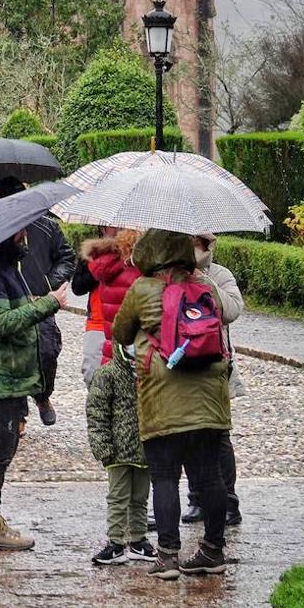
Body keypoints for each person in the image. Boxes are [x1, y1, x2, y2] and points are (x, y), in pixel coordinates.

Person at [112, 228, 232, 580]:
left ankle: (167, 557)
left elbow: (120, 332)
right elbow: (223, 317)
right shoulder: (205, 286)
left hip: (163, 396)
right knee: (210, 475)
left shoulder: (142, 289)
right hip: (210, 396)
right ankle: (213, 549)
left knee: (165, 477)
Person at [0, 227, 69, 551]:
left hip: (13, 376)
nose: (25, 237)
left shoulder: (7, 268)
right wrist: (48, 304)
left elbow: (11, 311)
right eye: (20, 232)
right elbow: (3, 322)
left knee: (5, 446)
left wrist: (33, 301)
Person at [0, 177, 75, 426]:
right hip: (10, 306)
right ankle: (19, 416)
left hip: (41, 302)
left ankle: (42, 395)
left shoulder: (47, 226)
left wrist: (48, 285)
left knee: (47, 352)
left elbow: (66, 258)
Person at [182, 232, 244, 527]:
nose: (197, 248)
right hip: (183, 363)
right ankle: (197, 497)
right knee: (188, 434)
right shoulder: (173, 272)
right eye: (192, 241)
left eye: (201, 242)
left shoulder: (220, 274)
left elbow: (231, 311)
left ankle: (229, 501)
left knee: (218, 436)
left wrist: (204, 282)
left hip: (217, 364)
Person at [86, 340, 157, 565]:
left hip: (145, 449)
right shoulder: (107, 374)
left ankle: (138, 540)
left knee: (140, 498)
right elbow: (96, 413)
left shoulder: (152, 372)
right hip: (117, 451)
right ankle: (115, 542)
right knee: (118, 498)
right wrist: (103, 447)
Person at [77, 229, 141, 385]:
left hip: (131, 329)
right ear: (103, 228)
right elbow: (77, 287)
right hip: (99, 322)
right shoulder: (97, 255)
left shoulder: (142, 257)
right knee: (94, 375)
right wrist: (101, 267)